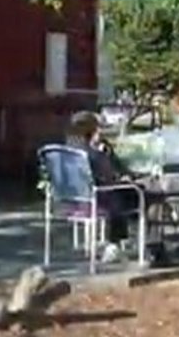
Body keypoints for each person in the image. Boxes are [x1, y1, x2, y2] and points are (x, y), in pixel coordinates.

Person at [66, 111, 138, 262]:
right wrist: (105, 154)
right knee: (141, 195)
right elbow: (108, 175)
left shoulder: (68, 151)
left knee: (128, 194)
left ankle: (125, 241)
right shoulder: (91, 153)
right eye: (97, 127)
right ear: (89, 130)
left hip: (73, 201)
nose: (100, 131)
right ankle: (118, 243)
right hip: (98, 199)